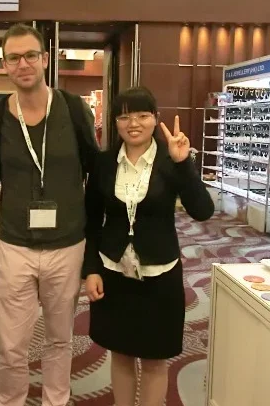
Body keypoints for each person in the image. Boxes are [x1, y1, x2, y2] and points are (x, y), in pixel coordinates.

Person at [0, 23, 98, 406]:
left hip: (67, 245)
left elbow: (96, 172)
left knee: (59, 339)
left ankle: (56, 400)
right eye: (13, 58)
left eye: (30, 55)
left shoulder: (74, 109)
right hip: (15, 246)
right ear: (5, 65)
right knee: (10, 346)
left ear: (45, 59)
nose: (23, 64)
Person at [83, 86, 214, 406]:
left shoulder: (171, 161)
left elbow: (203, 211)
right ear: (115, 122)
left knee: (155, 359)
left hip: (160, 275)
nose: (133, 124)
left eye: (142, 115)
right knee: (121, 353)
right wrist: (91, 270)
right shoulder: (104, 163)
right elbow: (91, 221)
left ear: (156, 119)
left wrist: (184, 165)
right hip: (114, 273)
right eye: (124, 116)